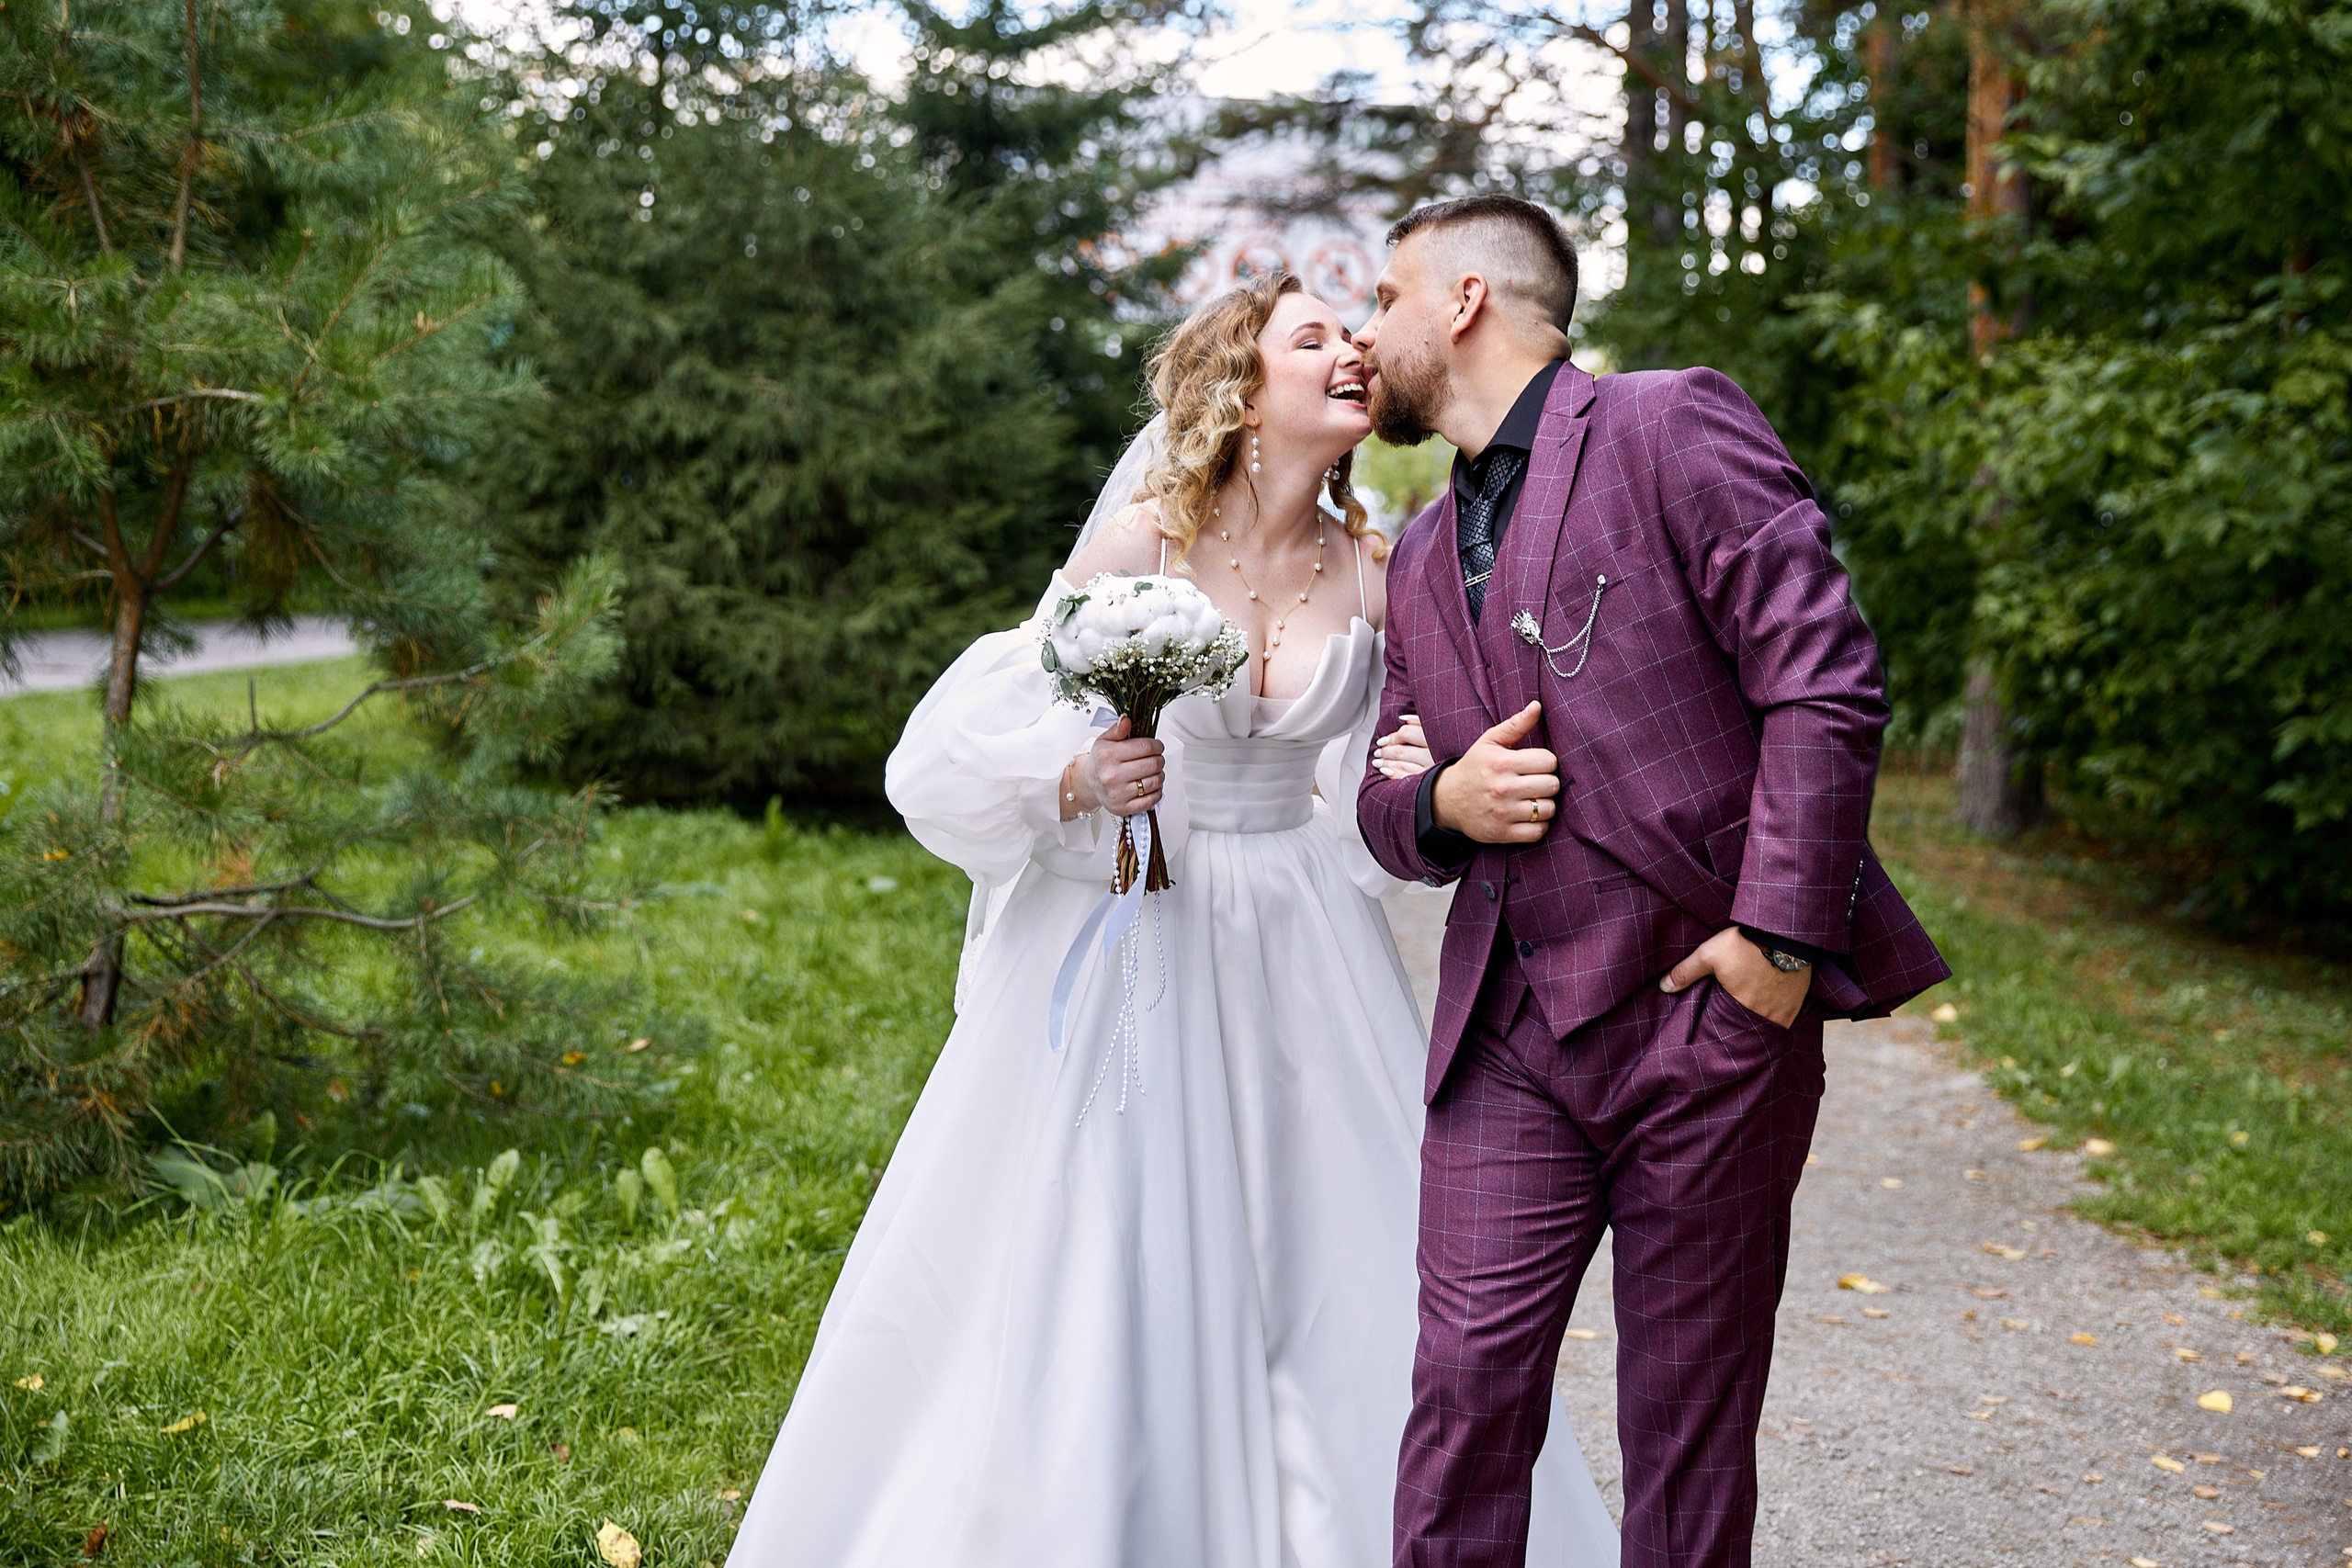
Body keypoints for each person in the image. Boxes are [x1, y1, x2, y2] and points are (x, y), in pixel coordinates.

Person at [725, 270, 1620, 1568]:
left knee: (1333, 1257)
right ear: (1243, 390)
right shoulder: (1141, 548)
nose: (1352, 351)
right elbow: (961, 750)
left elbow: (1391, 766)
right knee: (1104, 1237)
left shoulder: (1378, 572)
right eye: (1312, 337)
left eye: (1353, 334)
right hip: (1140, 923)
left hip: (1302, 938)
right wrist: (1080, 779)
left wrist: (1423, 762)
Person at [1353, 195, 1952, 1568]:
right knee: (1462, 1394)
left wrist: (1775, 946)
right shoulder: (1423, 553)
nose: (1366, 332)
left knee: (1686, 1427)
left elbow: (1824, 681)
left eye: (1386, 297)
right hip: (1510, 1035)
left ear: (1464, 300)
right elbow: (1386, 805)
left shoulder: (1669, 424)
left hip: (1706, 1017)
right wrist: (1441, 802)